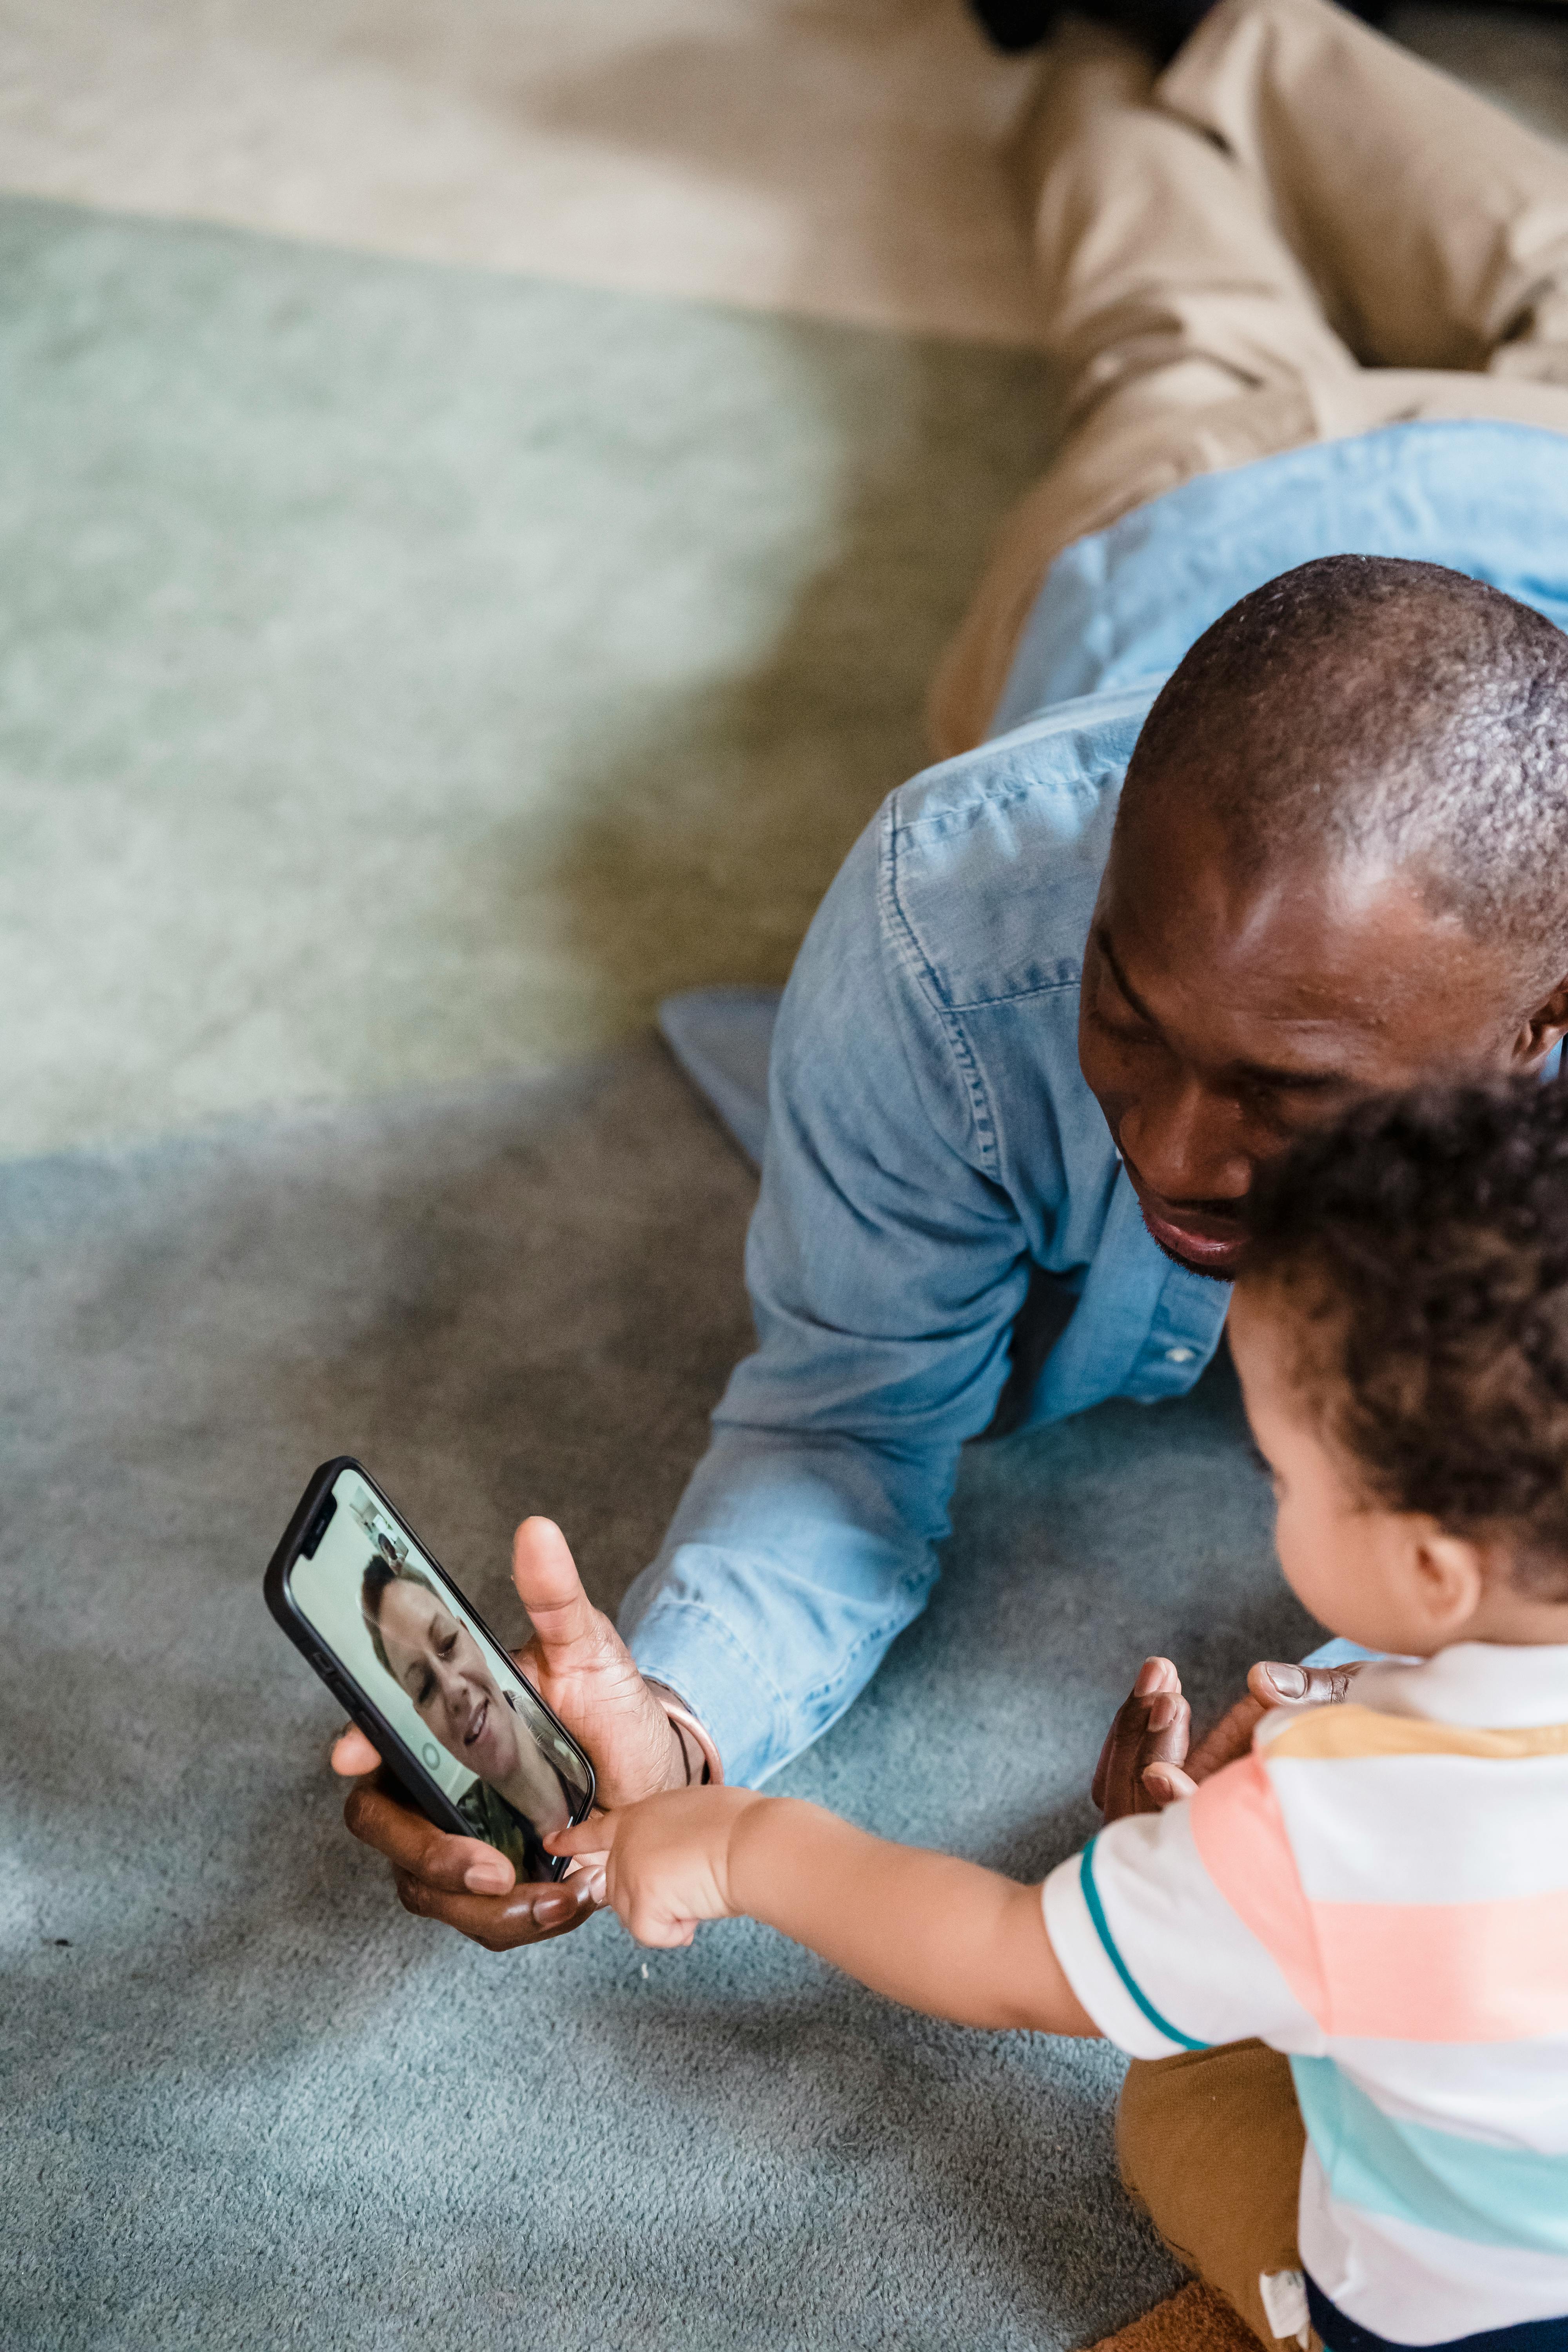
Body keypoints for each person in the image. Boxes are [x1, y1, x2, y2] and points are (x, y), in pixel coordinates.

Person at [333, 0, 1568, 1953]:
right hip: (1191, 518)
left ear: (1537, 1040)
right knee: (1173, 344)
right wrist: (666, 1730)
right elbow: (841, 1421)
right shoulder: (949, 917)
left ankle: (1235, 34)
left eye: (1285, 1095)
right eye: (1127, 1014)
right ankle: (1091, 56)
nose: (1162, 1145)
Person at [553, 1082, 1568, 2352]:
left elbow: (1005, 1962)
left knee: (1181, 2094)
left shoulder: (1328, 1825)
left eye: (1285, 1473)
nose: (1271, 1500)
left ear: (1431, 1570)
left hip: (1475, 2327)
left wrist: (742, 1841)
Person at [361, 1556, 575, 1882]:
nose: (453, 1688)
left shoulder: (572, 1712)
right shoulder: (468, 1836)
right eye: (425, 1687)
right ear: (422, 1717)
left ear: (470, 1638)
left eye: (448, 1644)